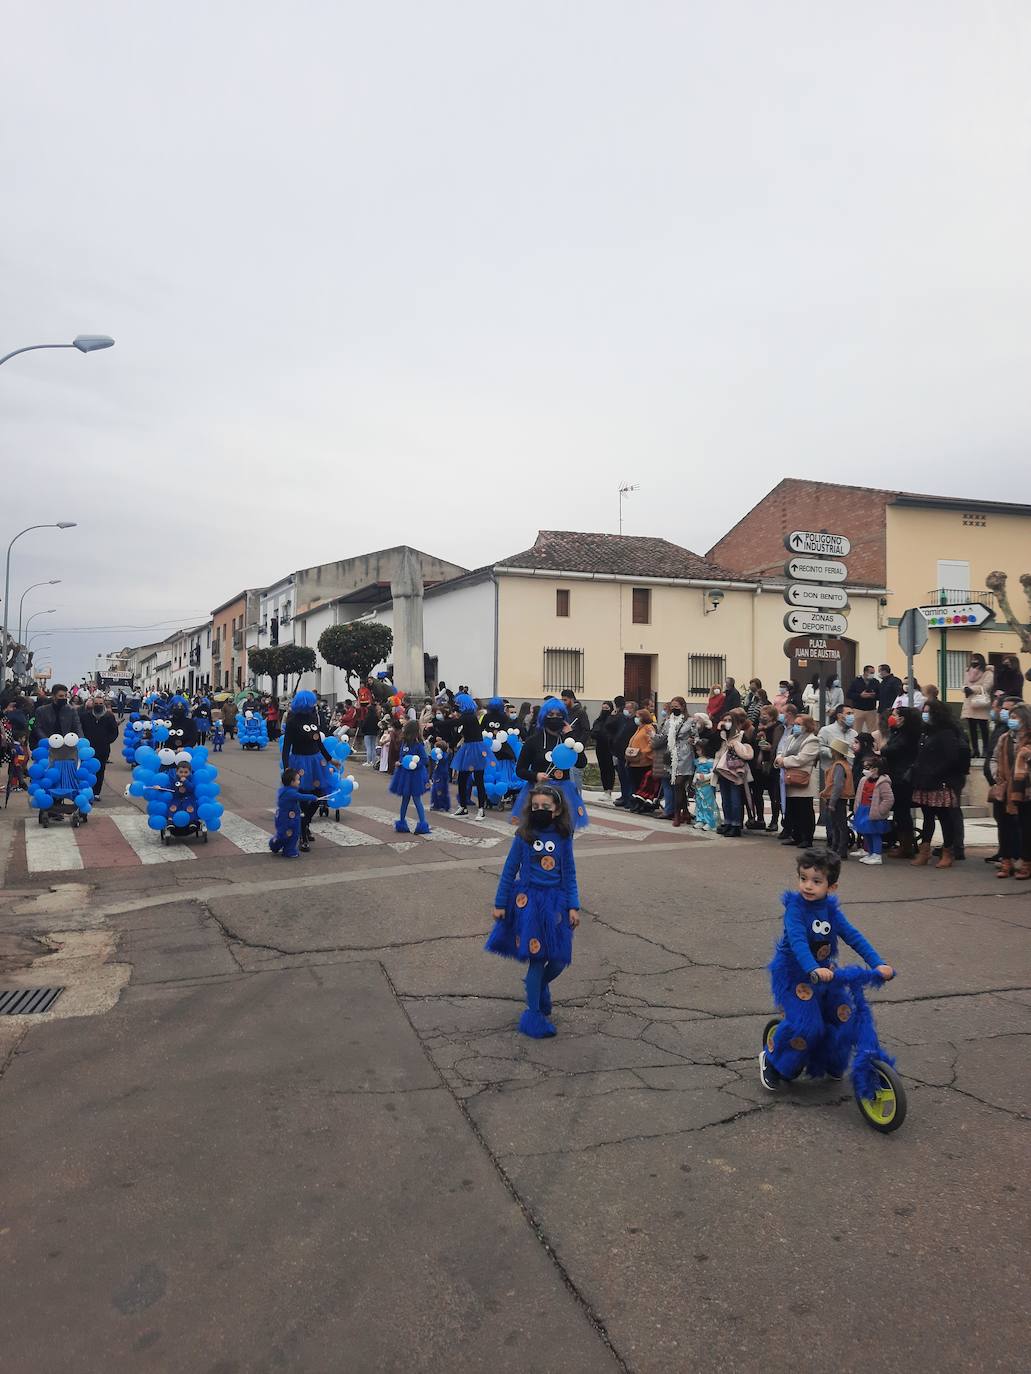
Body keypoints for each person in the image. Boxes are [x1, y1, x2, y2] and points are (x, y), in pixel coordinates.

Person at [759, 849, 894, 1090]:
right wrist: (812, 967)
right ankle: (774, 1061)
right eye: (803, 879)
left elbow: (853, 936)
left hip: (825, 973)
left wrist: (878, 963)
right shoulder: (795, 909)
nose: (808, 886)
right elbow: (798, 941)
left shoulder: (831, 911)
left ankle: (830, 1059)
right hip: (796, 975)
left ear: (832, 887)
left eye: (816, 881)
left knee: (845, 1016)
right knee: (808, 1027)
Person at [484, 783, 580, 1039]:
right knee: (537, 958)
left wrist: (573, 905)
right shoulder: (523, 836)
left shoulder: (563, 836)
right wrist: (500, 904)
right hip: (528, 903)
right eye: (535, 806)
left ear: (557, 810)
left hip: (556, 904)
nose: (539, 810)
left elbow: (569, 873)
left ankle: (538, 987)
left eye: (545, 807)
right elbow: (508, 870)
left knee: (559, 959)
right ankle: (533, 1013)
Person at [514, 696, 590, 829]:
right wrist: (536, 776)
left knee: (564, 832)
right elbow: (520, 770)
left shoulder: (568, 741)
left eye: (559, 715)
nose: (555, 717)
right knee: (536, 833)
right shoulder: (533, 741)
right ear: (544, 716)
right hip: (539, 792)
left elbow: (581, 763)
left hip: (564, 793)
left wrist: (570, 737)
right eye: (551, 714)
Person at [910, 698, 966, 868]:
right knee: (927, 817)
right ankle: (924, 852)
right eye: (923, 712)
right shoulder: (926, 732)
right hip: (925, 781)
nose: (925, 715)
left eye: (928, 712)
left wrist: (936, 772)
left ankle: (948, 852)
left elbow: (951, 758)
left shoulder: (946, 733)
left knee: (944, 818)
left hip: (940, 781)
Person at [280, 689, 335, 851]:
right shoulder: (292, 721)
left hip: (316, 761)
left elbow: (319, 742)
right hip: (300, 761)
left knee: (319, 794)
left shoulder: (313, 717)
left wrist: (331, 760)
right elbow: (286, 747)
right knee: (303, 796)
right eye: (312, 702)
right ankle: (303, 832)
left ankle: (304, 823)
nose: (314, 704)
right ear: (305, 703)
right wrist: (286, 766)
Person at [989, 702, 1031, 879]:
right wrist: (997, 777)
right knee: (1004, 826)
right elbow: (994, 759)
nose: (1011, 721)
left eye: (1015, 718)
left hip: (1025, 791)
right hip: (1005, 789)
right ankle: (1006, 861)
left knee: (1027, 827)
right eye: (1010, 717)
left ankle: (1026, 863)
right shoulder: (1004, 738)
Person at [880, 707, 921, 858]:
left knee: (902, 812)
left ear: (902, 718)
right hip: (896, 776)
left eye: (895, 715)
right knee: (900, 812)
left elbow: (890, 750)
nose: (892, 717)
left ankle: (906, 846)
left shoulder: (908, 735)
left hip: (902, 778)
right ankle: (903, 843)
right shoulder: (898, 733)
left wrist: (883, 750)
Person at [776, 714, 821, 848]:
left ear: (807, 726)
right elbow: (782, 752)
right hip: (790, 778)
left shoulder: (812, 740)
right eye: (795, 723)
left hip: (803, 779)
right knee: (793, 810)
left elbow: (802, 759)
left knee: (805, 811)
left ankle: (807, 838)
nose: (795, 726)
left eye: (799, 724)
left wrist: (783, 761)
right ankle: (795, 836)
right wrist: (780, 759)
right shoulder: (791, 738)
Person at [713, 707, 753, 837]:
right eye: (725, 720)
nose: (727, 722)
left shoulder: (741, 735)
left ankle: (736, 824)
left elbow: (748, 752)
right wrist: (719, 730)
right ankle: (728, 822)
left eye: (730, 720)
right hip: (722, 771)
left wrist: (736, 747)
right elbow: (712, 747)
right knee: (725, 799)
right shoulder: (722, 735)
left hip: (736, 772)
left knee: (735, 799)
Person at [269, 768, 326, 858]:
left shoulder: (286, 790)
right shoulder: (290, 792)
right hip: (287, 818)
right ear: (292, 782)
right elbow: (301, 797)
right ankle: (276, 844)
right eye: (298, 780)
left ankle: (287, 848)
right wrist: (313, 797)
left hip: (290, 816)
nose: (299, 782)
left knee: (292, 833)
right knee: (287, 833)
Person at [451, 692, 490, 821]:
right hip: (468, 750)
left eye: (458, 704)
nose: (456, 706)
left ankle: (481, 809)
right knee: (462, 779)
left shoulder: (469, 717)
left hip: (476, 750)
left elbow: (454, 723)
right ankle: (463, 807)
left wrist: (436, 724)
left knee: (478, 780)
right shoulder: (466, 718)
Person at [389, 720, 432, 834]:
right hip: (405, 774)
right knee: (405, 799)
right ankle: (402, 823)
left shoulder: (418, 745)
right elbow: (402, 756)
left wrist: (415, 765)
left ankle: (422, 824)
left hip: (416, 775)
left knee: (417, 799)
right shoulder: (404, 743)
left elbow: (425, 759)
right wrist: (400, 762)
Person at [853, 756, 894, 865]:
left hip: (874, 811)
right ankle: (870, 852)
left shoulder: (883, 782)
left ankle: (877, 854)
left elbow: (889, 799)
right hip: (863, 809)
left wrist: (880, 811)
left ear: (875, 769)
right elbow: (859, 795)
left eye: (867, 767)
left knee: (875, 833)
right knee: (866, 833)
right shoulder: (864, 780)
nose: (865, 769)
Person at [820, 736, 854, 862]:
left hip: (837, 799)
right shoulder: (843, 764)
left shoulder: (839, 765)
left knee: (838, 825)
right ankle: (837, 848)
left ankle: (840, 849)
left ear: (835, 751)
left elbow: (838, 785)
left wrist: (832, 802)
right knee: (838, 824)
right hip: (839, 798)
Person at [750, 705, 783, 833]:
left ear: (773, 716)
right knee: (757, 794)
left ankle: (774, 821)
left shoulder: (777, 728)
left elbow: (778, 744)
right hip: (757, 765)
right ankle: (760, 819)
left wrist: (770, 748)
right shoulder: (757, 727)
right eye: (762, 713)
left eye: (766, 714)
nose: (763, 716)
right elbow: (752, 742)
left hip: (770, 765)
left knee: (773, 794)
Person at [80, 695, 119, 799]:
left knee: (100, 770)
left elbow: (114, 732)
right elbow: (80, 730)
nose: (98, 705)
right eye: (96, 703)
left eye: (100, 704)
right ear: (92, 704)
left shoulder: (109, 716)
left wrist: (107, 740)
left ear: (103, 704)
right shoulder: (85, 716)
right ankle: (86, 791)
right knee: (86, 770)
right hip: (87, 750)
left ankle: (96, 793)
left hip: (103, 749)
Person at [666, 697, 695, 827]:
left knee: (679, 783)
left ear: (683, 706)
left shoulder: (691, 721)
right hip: (673, 755)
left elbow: (696, 736)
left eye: (676, 706)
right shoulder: (669, 721)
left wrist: (693, 740)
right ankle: (686, 812)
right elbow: (663, 735)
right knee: (678, 786)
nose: (674, 709)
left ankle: (677, 814)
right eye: (672, 706)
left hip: (685, 755)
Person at [960, 653, 994, 759]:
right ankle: (975, 750)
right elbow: (965, 683)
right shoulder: (968, 671)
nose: (973, 661)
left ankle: (985, 750)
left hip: (981, 703)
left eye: (976, 659)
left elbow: (987, 686)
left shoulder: (988, 673)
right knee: (972, 729)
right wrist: (965, 688)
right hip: (969, 703)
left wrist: (972, 689)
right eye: (972, 659)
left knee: (984, 728)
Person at [559, 689, 591, 793]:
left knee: (575, 779)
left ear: (572, 699)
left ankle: (577, 802)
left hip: (575, 749)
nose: (563, 702)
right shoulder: (565, 712)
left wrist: (579, 745)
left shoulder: (581, 713)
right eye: (562, 700)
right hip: (565, 748)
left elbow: (586, 731)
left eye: (565, 700)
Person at [609, 699, 638, 808]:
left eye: (628, 708)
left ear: (634, 710)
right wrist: (613, 715)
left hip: (628, 754)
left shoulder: (635, 722)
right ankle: (624, 796)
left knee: (629, 778)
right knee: (622, 777)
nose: (626, 709)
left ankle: (630, 798)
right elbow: (609, 727)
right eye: (625, 707)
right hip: (619, 753)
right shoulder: (623, 720)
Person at [623, 708, 656, 808]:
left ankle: (640, 803)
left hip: (643, 761)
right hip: (634, 761)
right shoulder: (639, 728)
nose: (636, 718)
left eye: (638, 716)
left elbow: (652, 742)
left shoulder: (648, 728)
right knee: (634, 783)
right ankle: (634, 802)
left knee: (641, 784)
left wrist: (643, 752)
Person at [590, 701, 616, 798]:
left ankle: (609, 790)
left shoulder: (612, 720)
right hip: (600, 747)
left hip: (609, 748)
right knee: (603, 769)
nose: (604, 710)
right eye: (603, 708)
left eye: (607, 708)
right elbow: (593, 731)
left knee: (610, 769)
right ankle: (605, 789)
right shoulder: (598, 720)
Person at [692, 739, 718, 831]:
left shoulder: (710, 762)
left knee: (708, 804)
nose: (697, 752)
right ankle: (700, 819)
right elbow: (696, 771)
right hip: (699, 786)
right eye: (697, 750)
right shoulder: (697, 761)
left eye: (699, 750)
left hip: (707, 786)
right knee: (699, 803)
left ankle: (710, 821)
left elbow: (713, 774)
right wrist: (694, 779)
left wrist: (704, 777)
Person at [845, 666, 880, 732]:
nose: (872, 674)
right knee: (855, 730)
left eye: (873, 673)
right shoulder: (856, 681)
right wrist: (860, 695)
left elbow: (880, 695)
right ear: (865, 672)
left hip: (871, 710)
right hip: (858, 709)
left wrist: (873, 696)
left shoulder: (875, 682)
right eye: (871, 673)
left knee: (873, 730)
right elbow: (849, 694)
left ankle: (871, 742)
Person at [429, 741, 452, 812]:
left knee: (439, 790)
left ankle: (440, 805)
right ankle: (440, 805)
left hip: (441, 775)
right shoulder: (442, 755)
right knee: (439, 790)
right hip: (439, 774)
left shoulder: (443, 756)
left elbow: (443, 761)